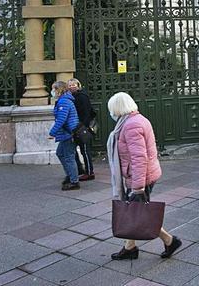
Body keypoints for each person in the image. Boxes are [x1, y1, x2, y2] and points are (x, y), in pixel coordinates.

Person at [106, 92, 182, 260]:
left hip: (140, 178)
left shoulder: (131, 125)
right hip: (140, 176)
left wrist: (138, 186)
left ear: (118, 108)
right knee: (135, 211)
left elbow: (139, 158)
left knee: (139, 213)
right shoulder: (134, 120)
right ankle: (130, 247)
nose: (111, 113)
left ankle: (169, 241)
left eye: (112, 109)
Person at [49, 81, 81, 191]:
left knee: (68, 157)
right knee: (60, 153)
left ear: (59, 90)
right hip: (67, 133)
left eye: (54, 89)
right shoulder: (65, 100)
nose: (52, 92)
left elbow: (61, 120)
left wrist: (52, 133)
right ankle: (70, 175)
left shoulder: (64, 102)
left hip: (68, 134)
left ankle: (74, 181)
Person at [67, 78, 97, 181]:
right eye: (69, 85)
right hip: (77, 127)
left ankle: (89, 172)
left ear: (78, 85)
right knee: (74, 149)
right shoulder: (73, 97)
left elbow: (86, 113)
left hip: (82, 127)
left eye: (73, 84)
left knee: (84, 150)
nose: (71, 87)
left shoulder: (81, 97)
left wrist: (82, 126)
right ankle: (79, 169)